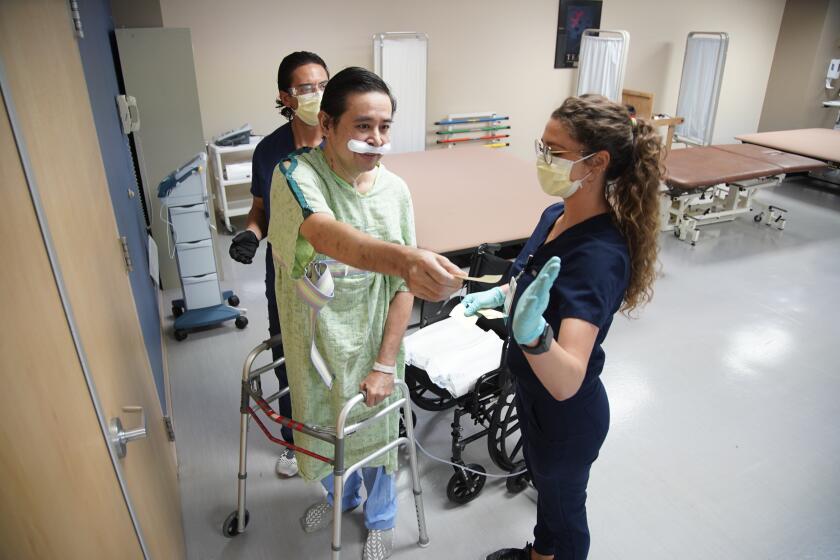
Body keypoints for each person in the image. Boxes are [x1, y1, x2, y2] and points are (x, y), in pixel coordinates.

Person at [267, 66, 463, 560]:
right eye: (362, 126)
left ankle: (380, 520)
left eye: (384, 127)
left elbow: (402, 287)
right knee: (322, 430)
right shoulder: (296, 176)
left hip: (375, 339)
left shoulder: (395, 191)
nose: (375, 139)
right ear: (328, 125)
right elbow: (325, 234)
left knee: (375, 436)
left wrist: (383, 362)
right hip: (315, 338)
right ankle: (341, 498)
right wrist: (406, 258)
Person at [466, 94, 662, 560]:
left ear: (596, 163)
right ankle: (539, 555)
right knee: (547, 498)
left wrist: (533, 334)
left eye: (555, 152)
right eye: (542, 145)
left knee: (565, 510)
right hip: (533, 401)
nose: (542, 159)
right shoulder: (556, 214)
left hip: (566, 418)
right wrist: (502, 292)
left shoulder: (597, 256)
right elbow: (528, 276)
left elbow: (568, 377)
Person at [228, 51, 329, 478]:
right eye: (307, 88)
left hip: (336, 271)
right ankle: (293, 441)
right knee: (289, 351)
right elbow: (260, 210)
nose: (318, 94)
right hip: (287, 272)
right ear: (285, 97)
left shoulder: (339, 141)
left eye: (324, 84)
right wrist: (252, 233)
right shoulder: (269, 151)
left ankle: (338, 432)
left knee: (334, 352)